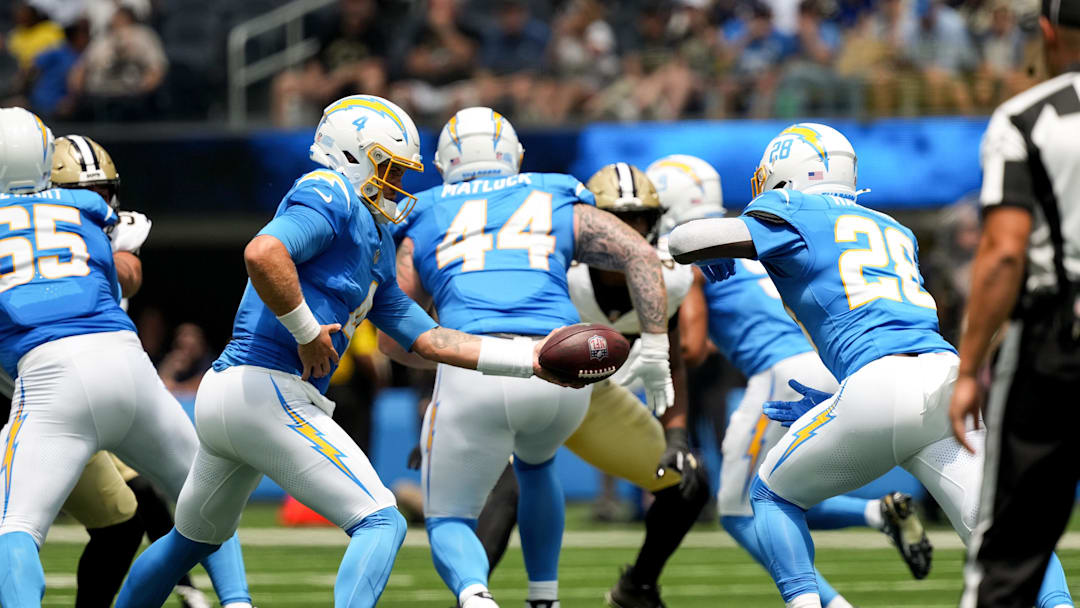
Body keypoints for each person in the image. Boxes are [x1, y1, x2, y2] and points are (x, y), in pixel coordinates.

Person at [114, 96, 580, 608]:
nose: (398, 186)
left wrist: (530, 362)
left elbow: (430, 339)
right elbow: (263, 253)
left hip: (234, 394)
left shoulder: (376, 238)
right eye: (390, 169)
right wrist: (306, 329)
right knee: (382, 521)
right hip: (268, 388)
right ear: (355, 154)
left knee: (190, 542)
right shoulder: (329, 189)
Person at [665, 122, 1073, 608]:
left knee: (770, 497)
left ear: (789, 173)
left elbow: (686, 239)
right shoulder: (895, 230)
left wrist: (719, 249)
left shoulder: (794, 206)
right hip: (942, 380)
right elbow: (880, 320)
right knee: (1007, 530)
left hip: (877, 385)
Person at [384, 108, 674, 608]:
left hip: (474, 370)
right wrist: (655, 346)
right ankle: (544, 598)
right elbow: (642, 256)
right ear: (515, 157)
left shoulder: (425, 210)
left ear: (442, 164)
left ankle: (476, 595)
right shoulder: (553, 192)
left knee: (448, 517)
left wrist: (453, 362)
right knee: (538, 468)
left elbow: (395, 336)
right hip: (560, 369)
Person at [649, 153, 932, 608]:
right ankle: (876, 511)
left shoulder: (699, 247)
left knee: (741, 510)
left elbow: (692, 346)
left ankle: (830, 603)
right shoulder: (763, 232)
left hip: (780, 371)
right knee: (787, 486)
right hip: (833, 363)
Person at [0, 108, 252, 608]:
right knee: (201, 498)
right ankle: (238, 602)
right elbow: (124, 275)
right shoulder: (86, 208)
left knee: (18, 527)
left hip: (50, 380)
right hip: (127, 363)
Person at [458, 159, 705, 608]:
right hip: (523, 386)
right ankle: (473, 597)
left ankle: (638, 587)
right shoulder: (555, 267)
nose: (628, 232)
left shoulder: (667, 278)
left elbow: (673, 362)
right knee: (507, 484)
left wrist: (677, 433)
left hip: (592, 400)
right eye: (617, 219)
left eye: (638, 220)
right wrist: (445, 411)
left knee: (687, 479)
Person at [48, 133, 216, 608]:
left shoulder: (113, 232)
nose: (97, 204)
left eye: (102, 192)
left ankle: (207, 589)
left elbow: (128, 272)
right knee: (22, 524)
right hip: (30, 396)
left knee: (136, 510)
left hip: (67, 397)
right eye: (84, 193)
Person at [949, 2, 1080, 606]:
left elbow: (1003, 253)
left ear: (1048, 33)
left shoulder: (1025, 119)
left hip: (1058, 339)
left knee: (1012, 545)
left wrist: (971, 362)